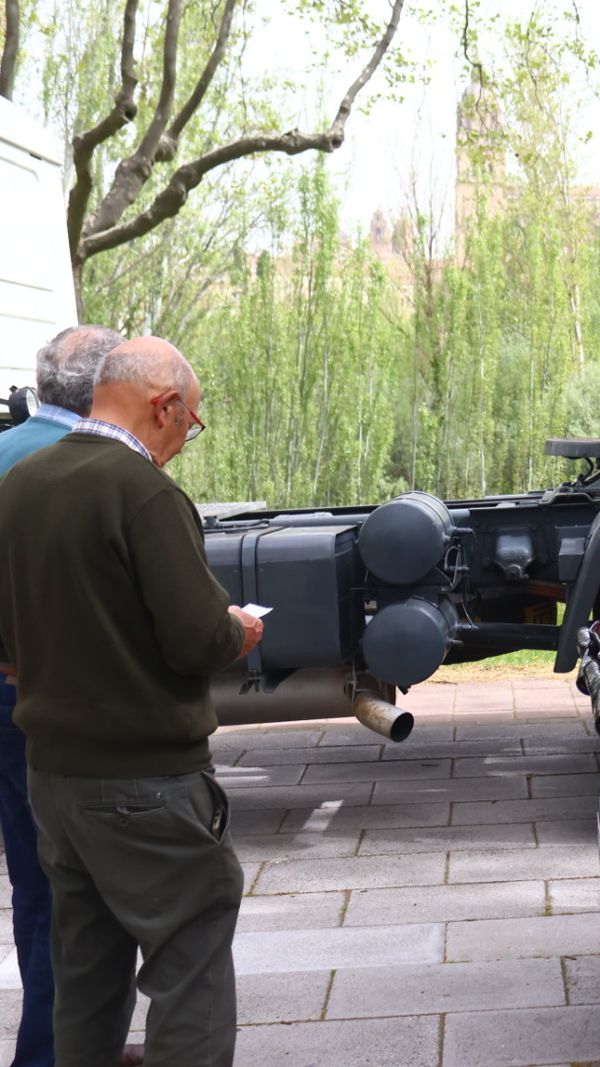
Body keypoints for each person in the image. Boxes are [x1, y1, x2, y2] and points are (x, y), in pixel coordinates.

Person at [0, 337, 264, 1066]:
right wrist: (235, 630)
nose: (186, 437)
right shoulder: (142, 490)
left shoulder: (21, 483)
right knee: (192, 964)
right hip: (146, 780)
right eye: (192, 421)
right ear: (164, 405)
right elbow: (193, 637)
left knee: (85, 973)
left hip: (53, 781)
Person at [0, 324, 124, 1067]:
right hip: (58, 706)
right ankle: (53, 1053)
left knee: (36, 882)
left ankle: (77, 1041)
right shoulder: (90, 467)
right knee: (83, 891)